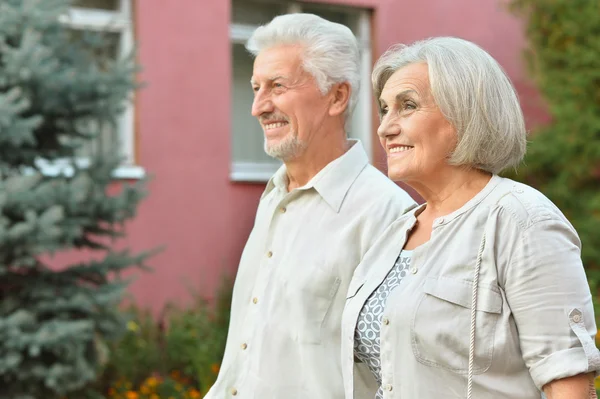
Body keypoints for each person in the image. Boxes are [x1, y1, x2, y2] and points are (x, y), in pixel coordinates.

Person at [341, 37, 600, 399]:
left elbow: (569, 384)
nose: (385, 128)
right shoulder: (394, 233)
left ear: (465, 113)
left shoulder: (521, 221)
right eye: (385, 110)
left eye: (407, 106)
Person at [204, 14, 416, 399]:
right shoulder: (273, 197)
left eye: (277, 87)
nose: (258, 106)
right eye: (255, 88)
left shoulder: (387, 215)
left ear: (337, 96)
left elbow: (403, 374)